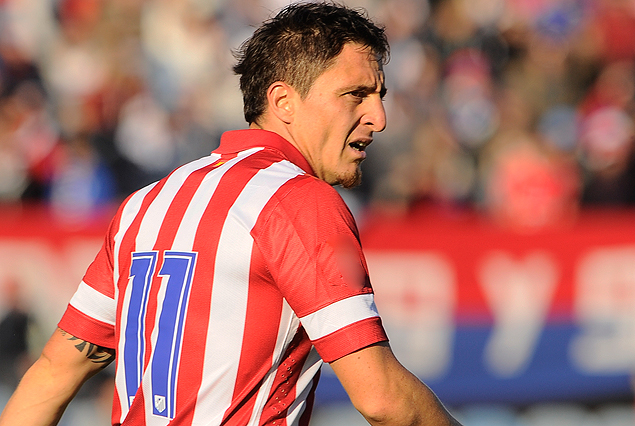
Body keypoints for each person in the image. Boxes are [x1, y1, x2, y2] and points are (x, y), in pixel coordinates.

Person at [0, 2, 463, 425]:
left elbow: (53, 373)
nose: (379, 117)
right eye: (356, 94)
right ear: (284, 102)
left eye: (380, 94)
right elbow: (382, 398)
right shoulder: (298, 200)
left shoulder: (146, 203)